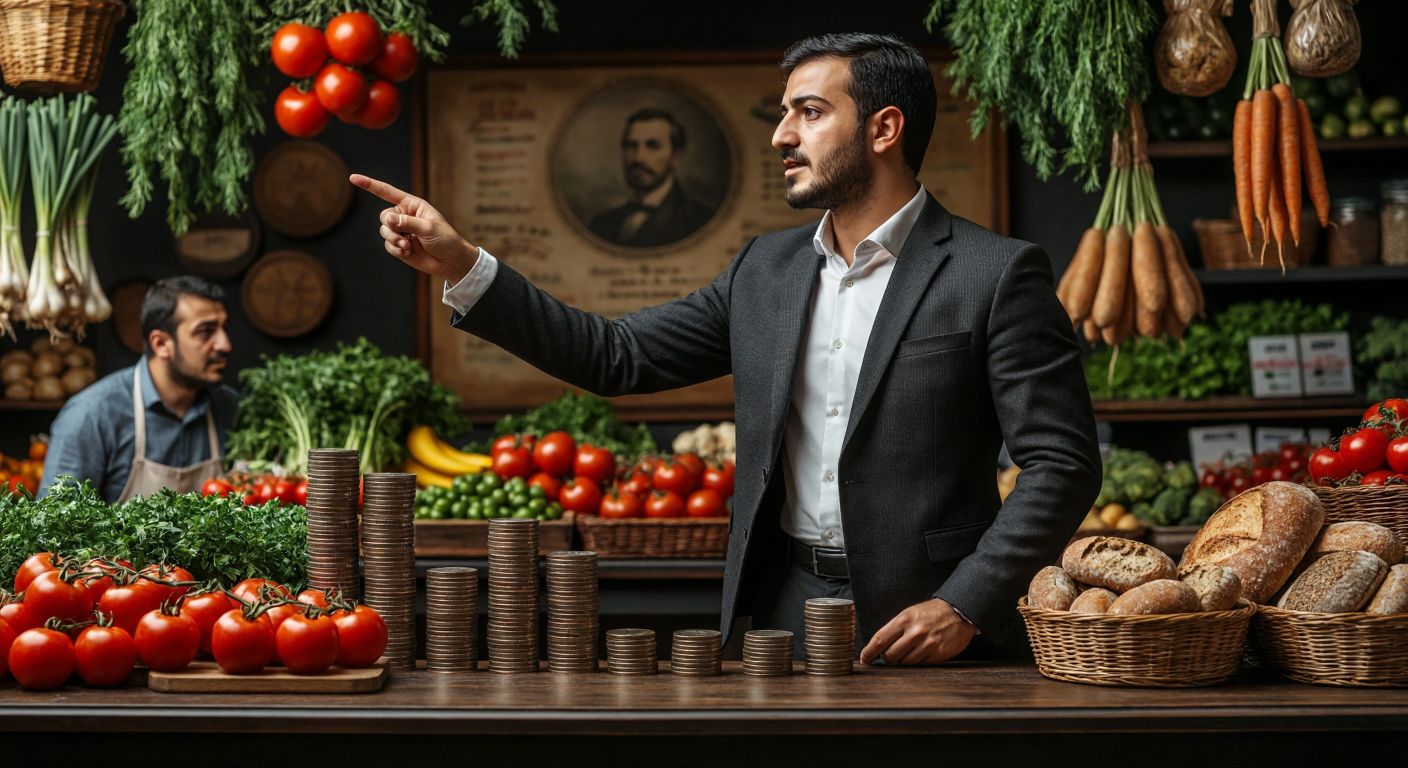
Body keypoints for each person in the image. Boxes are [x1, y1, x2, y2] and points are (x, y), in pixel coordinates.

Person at [352, 32, 1100, 664]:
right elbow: (615, 355)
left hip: (934, 619)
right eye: (783, 115)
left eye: (810, 113)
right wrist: (463, 266)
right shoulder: (763, 272)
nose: (781, 136)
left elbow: (1062, 462)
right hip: (782, 605)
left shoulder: (993, 273)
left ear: (884, 129)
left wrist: (964, 604)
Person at [40, 276, 237, 503]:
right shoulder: (91, 415)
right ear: (161, 344)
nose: (225, 344)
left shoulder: (230, 408)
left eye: (224, 328)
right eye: (206, 331)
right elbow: (52, 525)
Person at [586, 108, 715, 248]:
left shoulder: (702, 223)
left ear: (675, 157)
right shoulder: (601, 224)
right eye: (631, 145)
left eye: (652, 146)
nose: (638, 158)